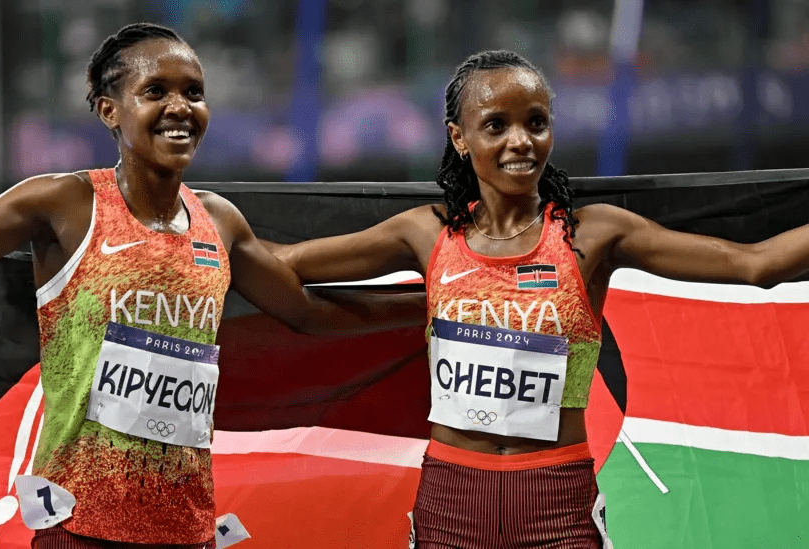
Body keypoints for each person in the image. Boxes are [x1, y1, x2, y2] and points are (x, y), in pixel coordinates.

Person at [0, 23, 424, 549]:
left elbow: (307, 311)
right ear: (109, 110)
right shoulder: (65, 204)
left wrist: (436, 306)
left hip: (186, 528)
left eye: (193, 92)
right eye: (155, 91)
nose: (180, 107)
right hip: (77, 525)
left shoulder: (218, 221)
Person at [266, 49, 809, 549]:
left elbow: (755, 265)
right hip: (452, 503)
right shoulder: (426, 234)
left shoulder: (592, 235)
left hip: (557, 504)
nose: (521, 140)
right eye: (496, 125)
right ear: (459, 137)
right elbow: (283, 263)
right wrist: (211, 218)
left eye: (536, 122)